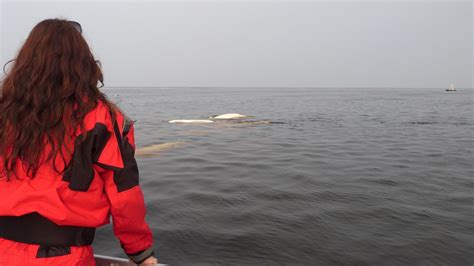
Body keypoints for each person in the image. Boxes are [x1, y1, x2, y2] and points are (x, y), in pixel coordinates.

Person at [0, 19, 158, 265]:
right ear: (82, 62)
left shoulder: (4, 113)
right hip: (63, 258)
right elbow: (124, 194)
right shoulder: (105, 119)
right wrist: (140, 252)